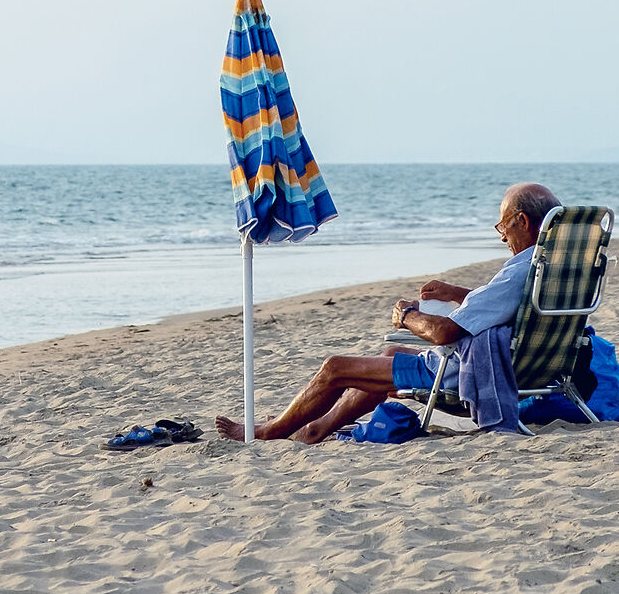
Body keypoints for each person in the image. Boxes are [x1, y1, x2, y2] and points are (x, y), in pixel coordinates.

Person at [215, 183, 559, 445]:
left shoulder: (519, 271)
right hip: (532, 365)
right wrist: (456, 294)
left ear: (522, 221)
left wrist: (407, 315)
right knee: (391, 354)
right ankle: (317, 428)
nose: (502, 237)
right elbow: (511, 307)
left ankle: (268, 431)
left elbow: (444, 333)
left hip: (464, 370)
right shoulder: (553, 268)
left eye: (503, 226)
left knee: (334, 367)